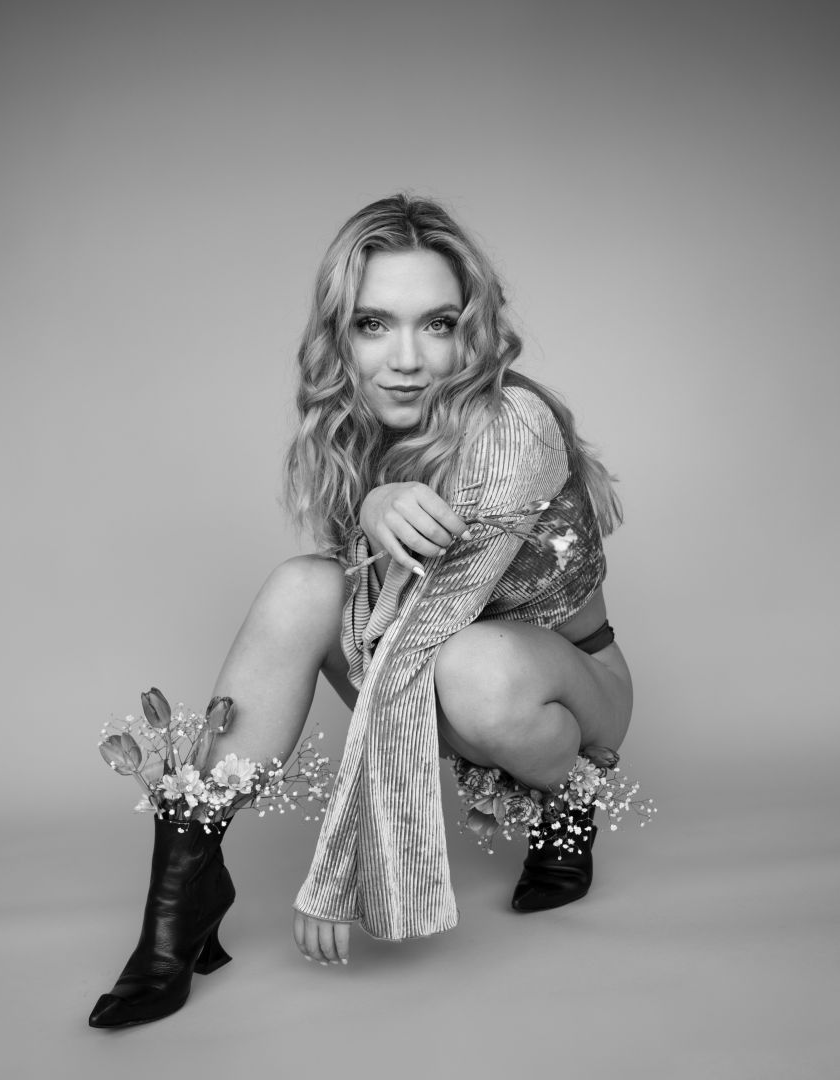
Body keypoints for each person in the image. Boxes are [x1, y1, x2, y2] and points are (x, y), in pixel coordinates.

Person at [88, 193, 633, 1028]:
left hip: (565, 690)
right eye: (375, 324)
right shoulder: (358, 428)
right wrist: (374, 501)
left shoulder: (512, 426)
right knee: (303, 585)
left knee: (475, 665)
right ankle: (183, 894)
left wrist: (336, 872)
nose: (407, 359)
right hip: (433, 677)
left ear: (472, 331)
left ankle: (567, 801)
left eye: (438, 324)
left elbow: (418, 640)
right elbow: (371, 601)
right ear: (340, 335)